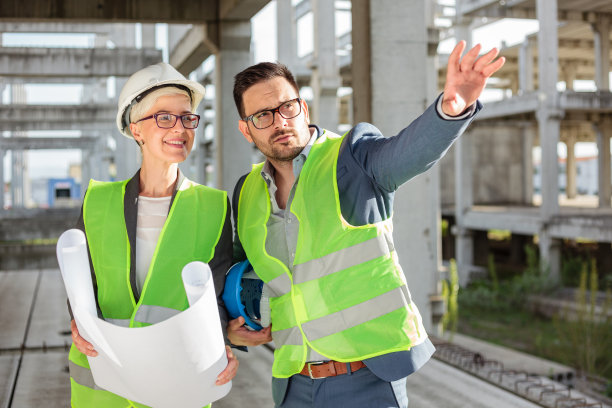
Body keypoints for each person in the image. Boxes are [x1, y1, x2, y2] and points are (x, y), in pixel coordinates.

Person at [227, 41, 505, 407]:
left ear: (302, 107)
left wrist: (450, 108)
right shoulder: (245, 192)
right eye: (262, 115)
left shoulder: (352, 156)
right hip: (293, 384)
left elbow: (407, 154)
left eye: (287, 107)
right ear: (246, 130)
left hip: (367, 381)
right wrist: (232, 329)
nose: (280, 122)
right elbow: (238, 272)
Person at [68, 62, 238, 407]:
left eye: (187, 117)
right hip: (104, 385)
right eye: (164, 117)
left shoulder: (213, 206)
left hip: (176, 381)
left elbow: (214, 300)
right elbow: (80, 282)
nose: (180, 128)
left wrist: (223, 344)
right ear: (136, 130)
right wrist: (75, 320)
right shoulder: (97, 201)